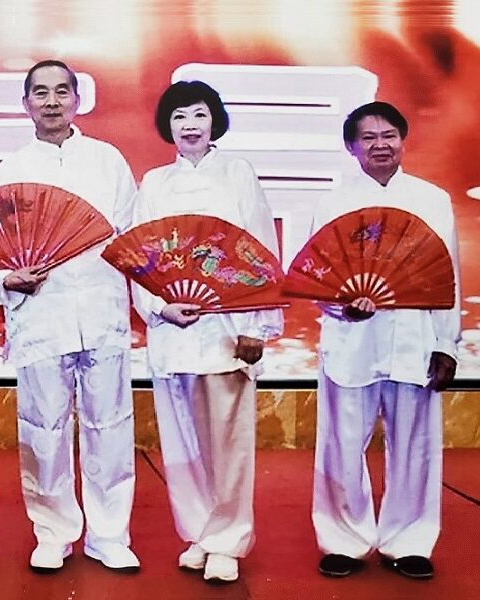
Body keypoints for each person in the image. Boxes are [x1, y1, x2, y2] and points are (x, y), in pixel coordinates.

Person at [0, 60, 139, 572]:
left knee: (109, 425)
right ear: (25, 103)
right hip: (41, 314)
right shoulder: (11, 170)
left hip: (100, 309)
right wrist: (8, 280)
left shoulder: (107, 161)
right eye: (40, 93)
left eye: (61, 91)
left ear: (77, 98)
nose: (51, 101)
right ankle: (52, 532)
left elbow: (131, 238)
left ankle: (109, 535)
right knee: (42, 426)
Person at [131, 80, 283, 583]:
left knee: (229, 439)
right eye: (179, 117)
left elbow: (260, 247)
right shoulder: (154, 183)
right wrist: (160, 307)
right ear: (167, 126)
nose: (190, 126)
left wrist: (257, 325)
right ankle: (199, 532)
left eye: (198, 114)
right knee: (182, 441)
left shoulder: (238, 173)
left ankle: (229, 539)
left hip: (227, 328)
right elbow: (140, 256)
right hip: (174, 328)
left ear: (214, 119)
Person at [311, 101, 460, 580]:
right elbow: (318, 276)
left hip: (416, 338)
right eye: (368, 137)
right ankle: (343, 539)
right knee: (341, 442)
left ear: (403, 139)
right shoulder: (333, 202)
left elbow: (448, 276)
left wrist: (447, 344)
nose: (380, 145)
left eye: (389, 135)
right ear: (351, 147)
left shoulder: (432, 199)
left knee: (415, 443)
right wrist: (343, 306)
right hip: (351, 339)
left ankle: (409, 541)